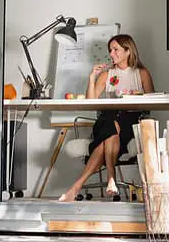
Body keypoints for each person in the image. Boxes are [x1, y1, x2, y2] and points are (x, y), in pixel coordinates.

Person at [58, 34, 154, 202]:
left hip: (129, 123)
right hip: (106, 119)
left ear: (128, 51)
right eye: (110, 50)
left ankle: (77, 186)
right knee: (111, 123)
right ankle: (111, 177)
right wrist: (92, 77)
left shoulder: (142, 74)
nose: (111, 53)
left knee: (108, 136)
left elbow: (152, 103)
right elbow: (91, 102)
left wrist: (135, 97)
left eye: (115, 49)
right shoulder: (108, 74)